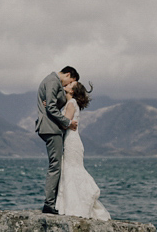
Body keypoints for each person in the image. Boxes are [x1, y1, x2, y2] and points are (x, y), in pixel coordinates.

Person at [55, 81, 111, 220]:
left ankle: (73, 204)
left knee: (71, 169)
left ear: (72, 91)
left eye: (70, 85)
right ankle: (74, 203)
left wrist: (54, 118)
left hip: (71, 141)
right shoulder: (72, 103)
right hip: (73, 139)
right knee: (72, 168)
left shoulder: (71, 103)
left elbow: (64, 123)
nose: (67, 85)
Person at [35, 66, 79, 214]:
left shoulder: (52, 81)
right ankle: (49, 204)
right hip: (50, 128)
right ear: (67, 74)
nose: (67, 85)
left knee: (55, 165)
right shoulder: (53, 81)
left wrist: (51, 104)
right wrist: (67, 122)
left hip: (50, 126)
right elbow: (51, 108)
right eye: (70, 81)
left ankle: (52, 202)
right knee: (55, 166)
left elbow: (51, 105)